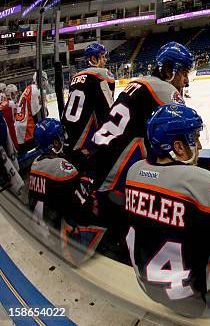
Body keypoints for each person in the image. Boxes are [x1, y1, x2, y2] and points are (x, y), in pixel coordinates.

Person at [125, 104, 210, 317]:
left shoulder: (133, 172)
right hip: (197, 302)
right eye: (194, 138)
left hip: (148, 287)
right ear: (178, 146)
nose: (197, 144)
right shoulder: (205, 184)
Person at [92, 41, 192, 261]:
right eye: (184, 73)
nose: (186, 81)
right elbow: (186, 136)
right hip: (117, 176)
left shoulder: (136, 83)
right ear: (168, 71)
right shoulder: (165, 90)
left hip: (99, 164)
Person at [29, 118, 102, 264]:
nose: (63, 138)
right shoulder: (60, 166)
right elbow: (82, 204)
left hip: (40, 233)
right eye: (59, 136)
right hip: (59, 242)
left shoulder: (35, 164)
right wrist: (88, 179)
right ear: (54, 142)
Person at [61, 42, 115, 170]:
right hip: (84, 141)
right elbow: (109, 112)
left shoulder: (76, 77)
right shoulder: (103, 75)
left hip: (68, 134)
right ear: (93, 58)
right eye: (103, 56)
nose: (105, 60)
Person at [14, 72, 45, 152]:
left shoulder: (29, 88)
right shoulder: (36, 90)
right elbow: (38, 116)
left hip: (20, 129)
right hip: (27, 129)